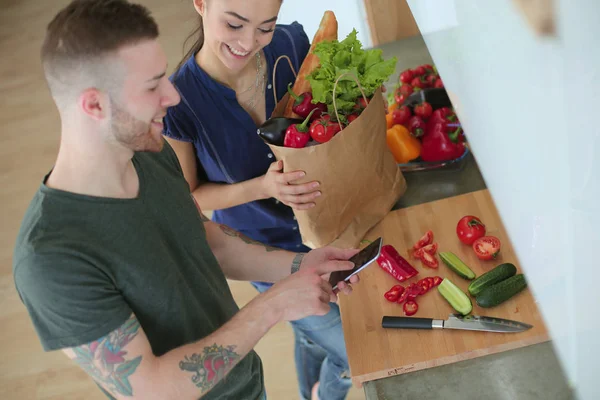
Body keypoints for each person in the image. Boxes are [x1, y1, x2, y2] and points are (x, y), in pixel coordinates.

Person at [12, 1, 360, 399]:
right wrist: (275, 306)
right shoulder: (50, 259)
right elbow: (154, 389)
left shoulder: (150, 153)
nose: (173, 95)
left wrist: (299, 265)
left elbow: (204, 241)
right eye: (152, 85)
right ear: (94, 105)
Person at [162, 1, 354, 399]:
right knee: (354, 354)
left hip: (330, 224)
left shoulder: (294, 45)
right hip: (260, 247)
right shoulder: (179, 102)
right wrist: (262, 188)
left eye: (265, 27)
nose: (249, 42)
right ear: (201, 4)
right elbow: (192, 198)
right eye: (234, 24)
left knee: (312, 330)